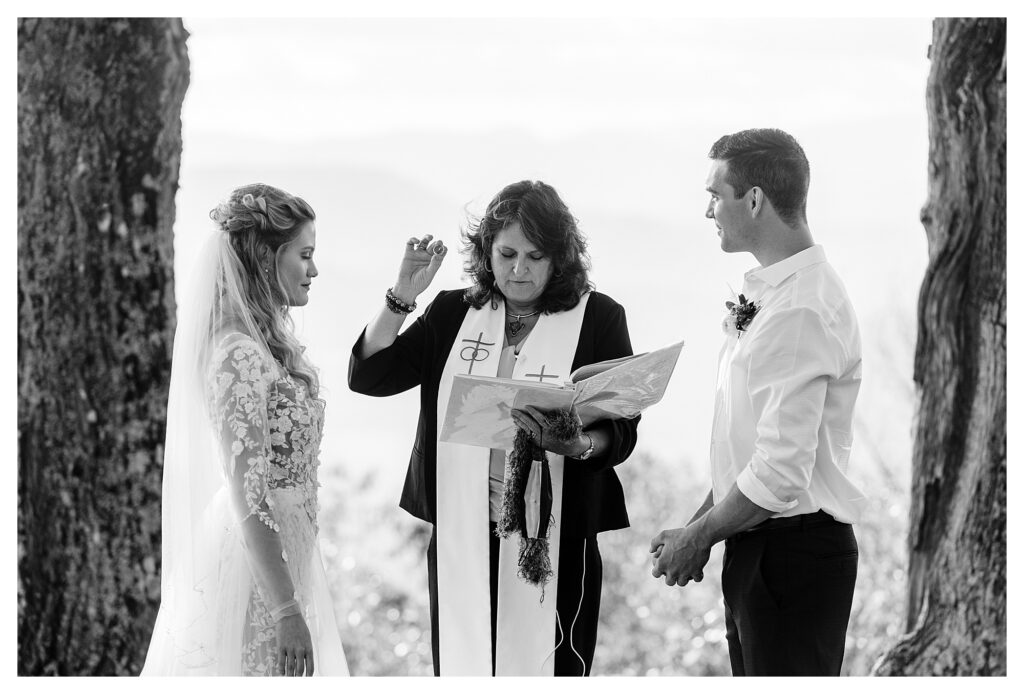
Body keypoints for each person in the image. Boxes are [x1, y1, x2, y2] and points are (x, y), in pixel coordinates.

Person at [348, 180, 639, 676]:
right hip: (465, 529)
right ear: (487, 251)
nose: (518, 270)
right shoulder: (451, 312)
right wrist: (401, 296)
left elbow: (623, 429)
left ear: (560, 258)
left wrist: (577, 443)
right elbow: (370, 376)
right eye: (506, 254)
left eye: (534, 256)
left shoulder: (599, 318)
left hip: (556, 535)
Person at [650, 129, 866, 676]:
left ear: (753, 200)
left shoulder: (801, 309)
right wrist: (700, 522)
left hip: (791, 560)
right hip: (763, 548)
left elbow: (779, 472)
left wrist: (699, 539)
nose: (707, 211)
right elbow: (751, 445)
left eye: (715, 195)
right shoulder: (778, 294)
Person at [142, 184, 348, 676]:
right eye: (305, 254)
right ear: (266, 258)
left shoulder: (261, 346)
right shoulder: (237, 354)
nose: (314, 270)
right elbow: (248, 496)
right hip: (256, 574)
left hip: (289, 559)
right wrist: (285, 609)